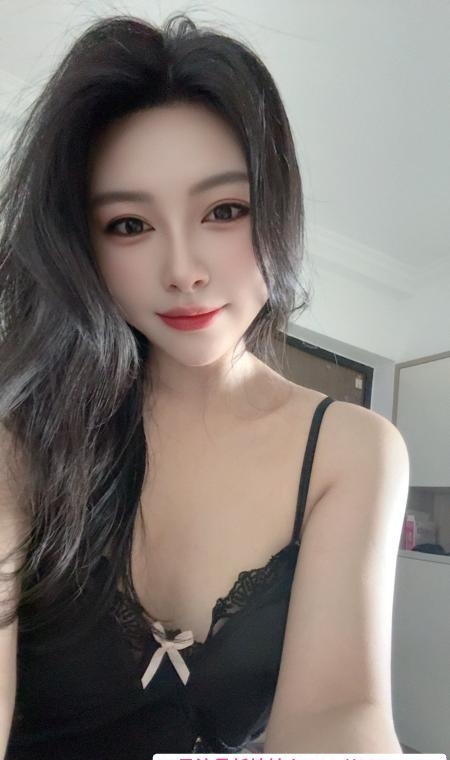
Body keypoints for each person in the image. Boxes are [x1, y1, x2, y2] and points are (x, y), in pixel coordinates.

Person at [0, 12, 409, 759]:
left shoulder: (350, 452)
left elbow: (340, 707)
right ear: (82, 244)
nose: (183, 270)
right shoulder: (22, 431)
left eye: (224, 211)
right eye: (129, 225)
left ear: (276, 209)